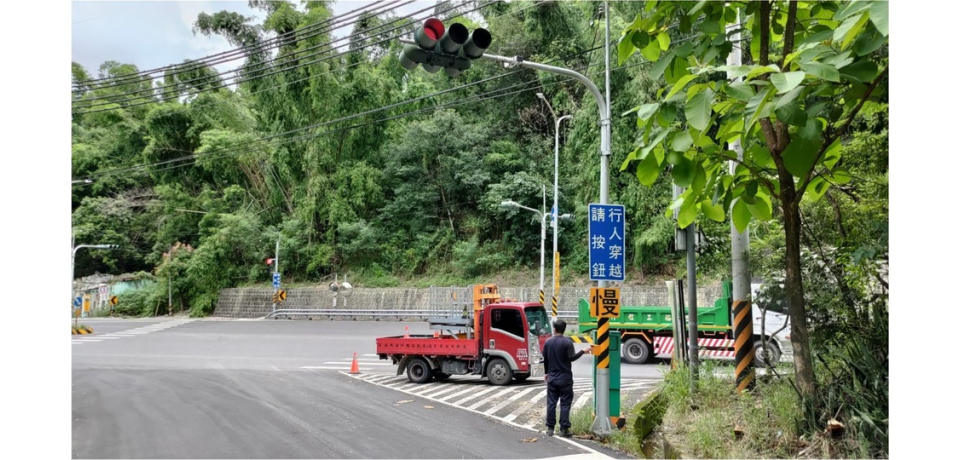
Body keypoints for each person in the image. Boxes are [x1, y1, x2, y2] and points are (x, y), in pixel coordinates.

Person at [541, 319, 590, 437]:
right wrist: (583, 351)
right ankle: (564, 429)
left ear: (555, 329)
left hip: (552, 377)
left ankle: (550, 428)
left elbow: (546, 359)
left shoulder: (548, 342)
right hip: (565, 378)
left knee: (551, 403)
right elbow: (572, 358)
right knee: (565, 403)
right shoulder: (567, 342)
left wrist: (546, 373)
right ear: (564, 330)